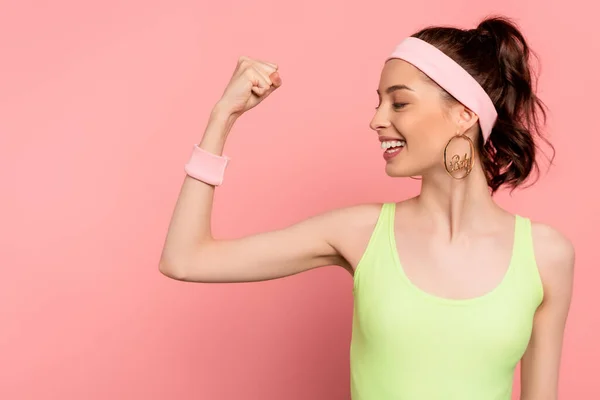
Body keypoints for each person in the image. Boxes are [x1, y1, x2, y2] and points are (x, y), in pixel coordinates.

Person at [159, 15, 575, 400]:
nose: (376, 120)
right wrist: (222, 118)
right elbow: (185, 259)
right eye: (378, 102)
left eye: (398, 103)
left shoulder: (545, 255)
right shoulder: (360, 233)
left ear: (464, 114)